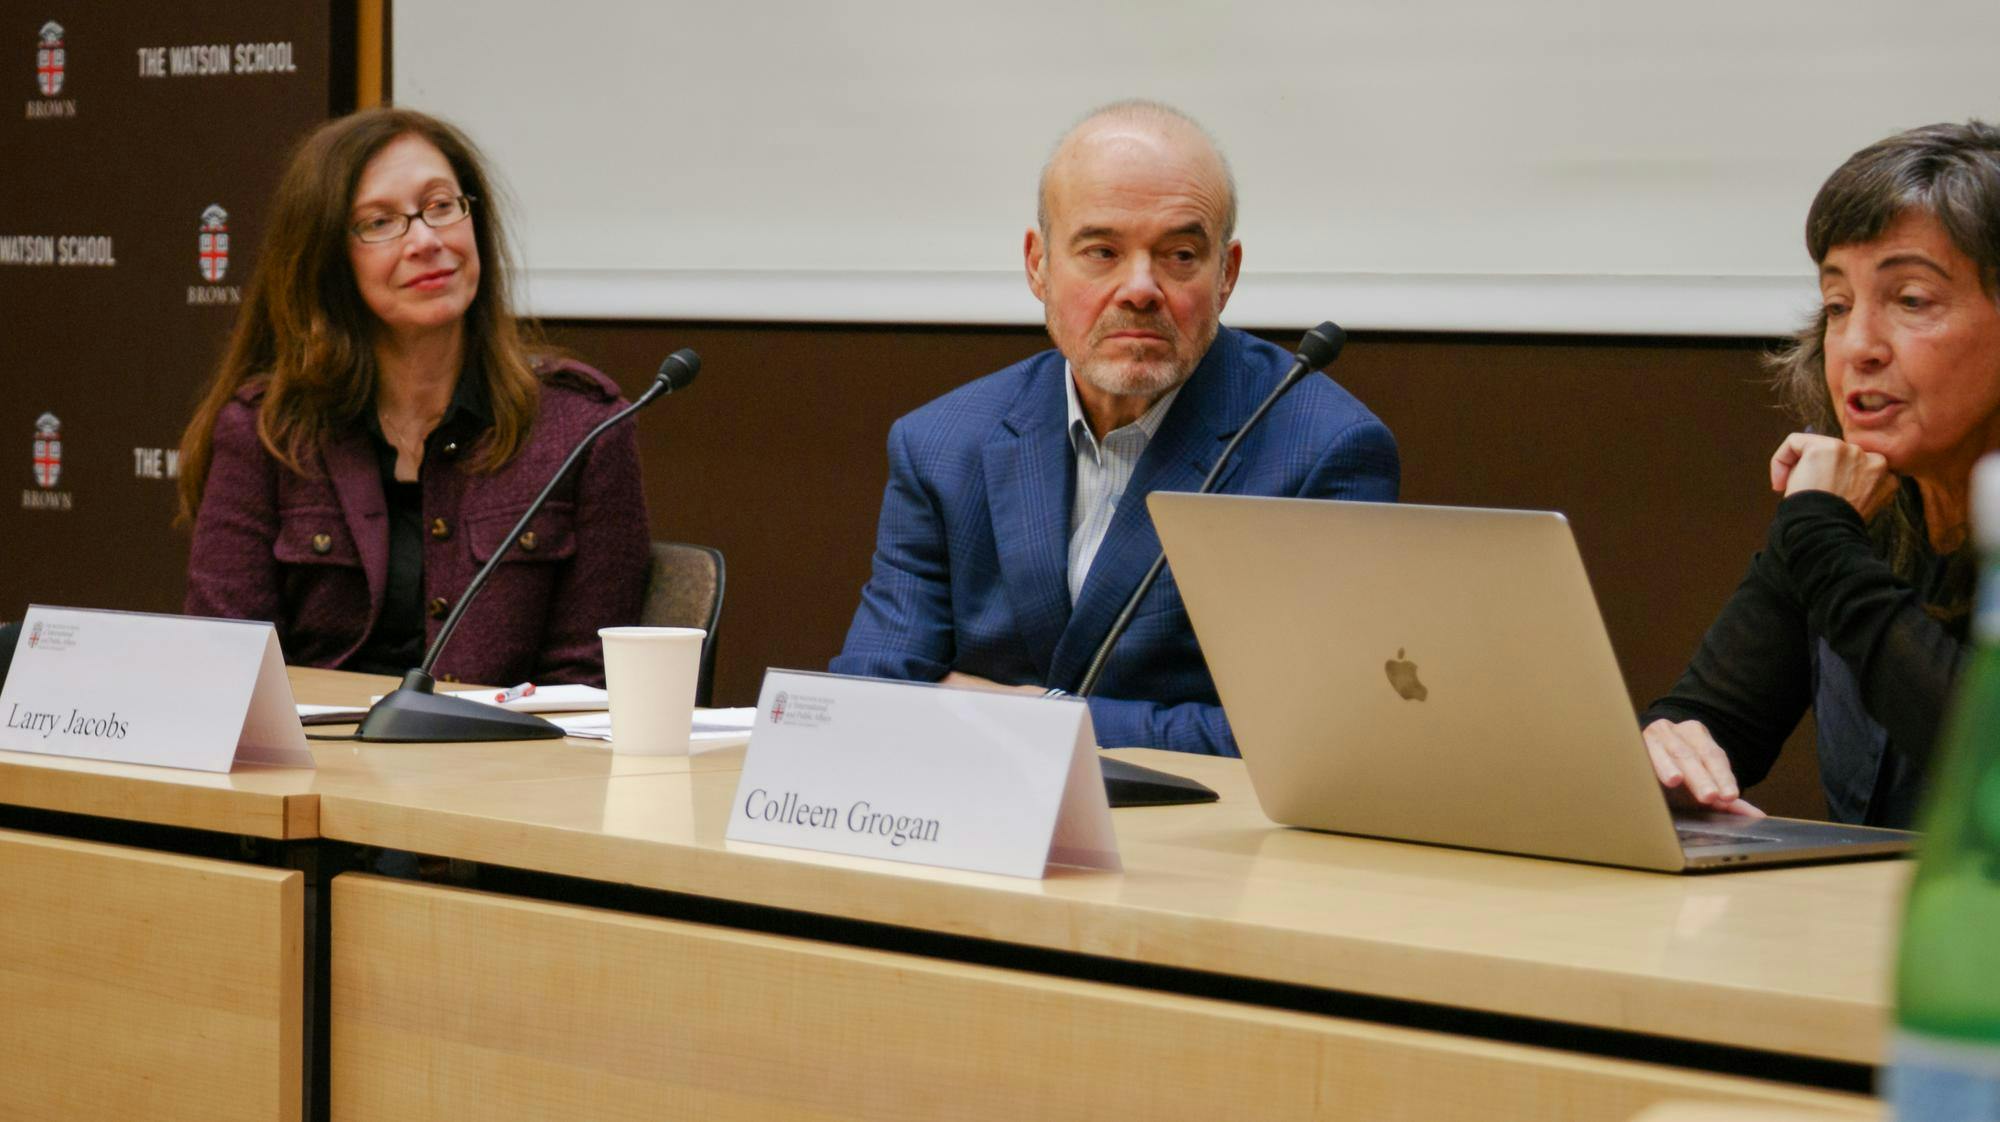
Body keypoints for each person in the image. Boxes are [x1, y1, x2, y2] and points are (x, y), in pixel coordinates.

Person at [830, 101, 1399, 756]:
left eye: (1180, 255)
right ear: (1038, 265)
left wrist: (1041, 715)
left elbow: (1315, 734)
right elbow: (871, 699)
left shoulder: (1322, 449)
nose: (1140, 288)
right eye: (1101, 252)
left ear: (1227, 274)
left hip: (1200, 841)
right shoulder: (941, 444)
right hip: (973, 838)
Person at [178, 107, 650, 687]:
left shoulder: (581, 425)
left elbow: (590, 684)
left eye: (441, 206)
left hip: (506, 767)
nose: (426, 241)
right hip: (314, 766)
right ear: (327, 258)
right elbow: (223, 673)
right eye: (379, 222)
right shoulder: (266, 433)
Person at [1642, 121, 2000, 828]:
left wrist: (1824, 546)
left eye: (1911, 301)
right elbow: (1711, 720)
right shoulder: (1846, 505)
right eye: (1838, 307)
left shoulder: (1828, 529)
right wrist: (1670, 751)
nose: (1858, 345)